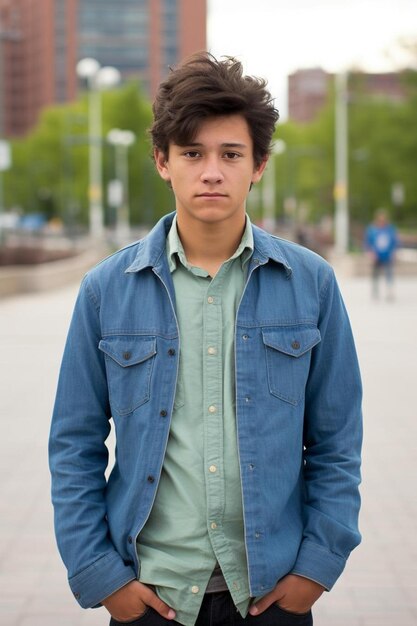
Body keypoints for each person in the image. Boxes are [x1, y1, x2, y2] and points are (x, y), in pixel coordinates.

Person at [49, 53, 362, 626]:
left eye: (230, 154)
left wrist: (316, 569)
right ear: (163, 162)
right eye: (192, 153)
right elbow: (74, 443)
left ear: (258, 164)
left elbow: (338, 440)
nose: (211, 171)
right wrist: (101, 576)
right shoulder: (105, 291)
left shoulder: (312, 284)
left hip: (272, 594)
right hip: (153, 595)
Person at [365, 208, 398, 300]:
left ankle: (389, 291)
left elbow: (394, 241)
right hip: (377, 255)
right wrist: (371, 253)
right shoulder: (372, 230)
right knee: (375, 274)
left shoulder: (390, 229)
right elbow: (368, 243)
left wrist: (394, 252)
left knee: (389, 273)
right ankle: (375, 291)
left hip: (387, 255)